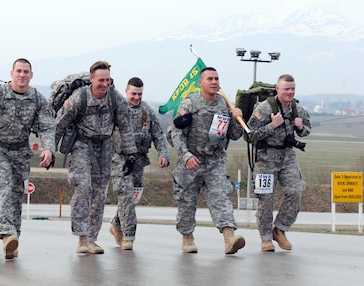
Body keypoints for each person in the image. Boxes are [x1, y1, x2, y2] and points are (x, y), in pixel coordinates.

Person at [0, 58, 56, 259]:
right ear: (11, 74)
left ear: (31, 75)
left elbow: (48, 125)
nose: (22, 75)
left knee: (16, 195)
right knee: (2, 187)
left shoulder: (38, 99)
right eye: (18, 71)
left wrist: (49, 149)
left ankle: (13, 241)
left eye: (26, 72)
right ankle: (7, 233)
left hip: (21, 153)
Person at [55, 61, 137, 255]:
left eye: (108, 80)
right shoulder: (79, 98)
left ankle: (92, 239)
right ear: (91, 80)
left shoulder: (115, 99)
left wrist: (131, 154)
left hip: (105, 147)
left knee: (99, 195)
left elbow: (125, 127)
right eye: (101, 80)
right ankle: (82, 238)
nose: (104, 84)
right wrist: (49, 150)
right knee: (83, 188)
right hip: (82, 145)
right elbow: (59, 124)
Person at [170, 67, 245, 255]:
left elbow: (235, 135)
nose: (214, 82)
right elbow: (176, 133)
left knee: (221, 197)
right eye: (210, 78)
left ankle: (229, 238)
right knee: (187, 202)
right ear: (200, 83)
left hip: (215, 161)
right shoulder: (190, 104)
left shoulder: (224, 104)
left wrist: (237, 119)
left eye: (217, 78)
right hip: (192, 161)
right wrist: (186, 156)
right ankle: (187, 237)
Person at [247, 74, 311, 252]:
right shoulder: (264, 108)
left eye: (293, 89)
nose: (290, 92)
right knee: (265, 199)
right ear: (277, 89)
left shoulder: (298, 109)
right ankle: (266, 238)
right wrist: (272, 126)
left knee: (296, 191)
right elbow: (250, 134)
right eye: (286, 89)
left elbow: (307, 130)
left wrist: (300, 127)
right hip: (266, 158)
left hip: (287, 157)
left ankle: (280, 229)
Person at [109, 77, 170, 251]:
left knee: (134, 197)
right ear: (126, 91)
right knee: (126, 195)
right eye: (133, 94)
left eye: (140, 94)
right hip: (119, 159)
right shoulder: (117, 109)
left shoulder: (147, 111)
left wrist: (163, 154)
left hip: (139, 161)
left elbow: (158, 134)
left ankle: (116, 223)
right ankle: (128, 236)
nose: (136, 97)